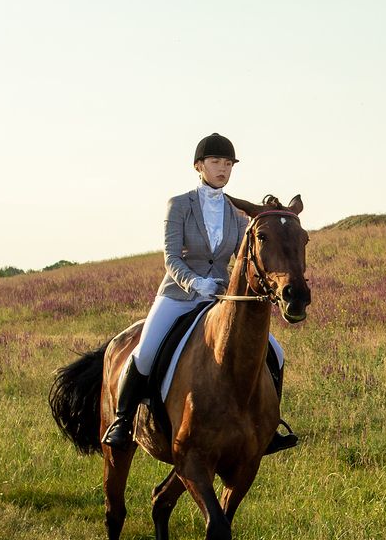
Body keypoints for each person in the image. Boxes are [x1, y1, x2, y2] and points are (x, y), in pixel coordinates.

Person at [100, 132, 295, 453]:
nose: (223, 168)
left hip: (219, 298)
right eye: (216, 162)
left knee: (274, 350)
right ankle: (122, 420)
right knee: (145, 350)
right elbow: (171, 257)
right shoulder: (179, 205)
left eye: (228, 163)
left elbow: (242, 257)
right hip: (178, 295)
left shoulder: (236, 214)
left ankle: (268, 426)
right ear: (199, 166)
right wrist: (196, 283)